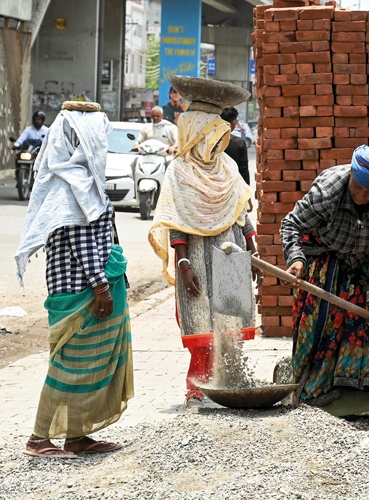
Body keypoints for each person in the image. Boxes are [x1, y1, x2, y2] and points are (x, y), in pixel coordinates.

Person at [15, 101, 132, 458]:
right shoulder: (72, 185)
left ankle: (77, 435)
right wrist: (100, 287)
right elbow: (82, 242)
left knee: (92, 363)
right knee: (71, 366)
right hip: (81, 291)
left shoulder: (82, 180)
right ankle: (39, 438)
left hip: (93, 286)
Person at [280, 143, 369, 427]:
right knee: (317, 323)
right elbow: (291, 225)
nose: (363, 197)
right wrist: (297, 259)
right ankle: (312, 400)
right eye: (359, 189)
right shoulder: (327, 190)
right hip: (327, 255)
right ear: (352, 174)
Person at [149, 77, 260, 403]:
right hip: (194, 255)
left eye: (220, 139)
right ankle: (198, 388)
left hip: (231, 250)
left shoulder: (226, 166)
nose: (217, 146)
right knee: (201, 324)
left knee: (230, 319)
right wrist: (182, 264)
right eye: (212, 139)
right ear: (195, 135)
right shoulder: (179, 171)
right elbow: (176, 220)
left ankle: (231, 381)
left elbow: (240, 210)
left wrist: (252, 250)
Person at [220, 107, 250, 185]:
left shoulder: (210, 141)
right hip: (234, 186)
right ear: (233, 123)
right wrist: (247, 190)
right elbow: (244, 170)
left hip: (213, 186)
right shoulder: (239, 143)